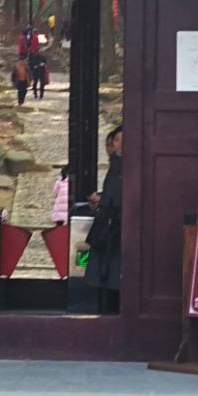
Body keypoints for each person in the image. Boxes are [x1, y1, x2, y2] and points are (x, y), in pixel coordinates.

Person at [84, 124, 123, 311]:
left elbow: (122, 196)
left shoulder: (125, 166)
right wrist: (101, 199)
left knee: (115, 275)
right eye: (116, 140)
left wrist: (103, 200)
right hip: (108, 227)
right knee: (106, 274)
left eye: (124, 140)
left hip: (118, 228)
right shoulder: (115, 165)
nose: (120, 144)